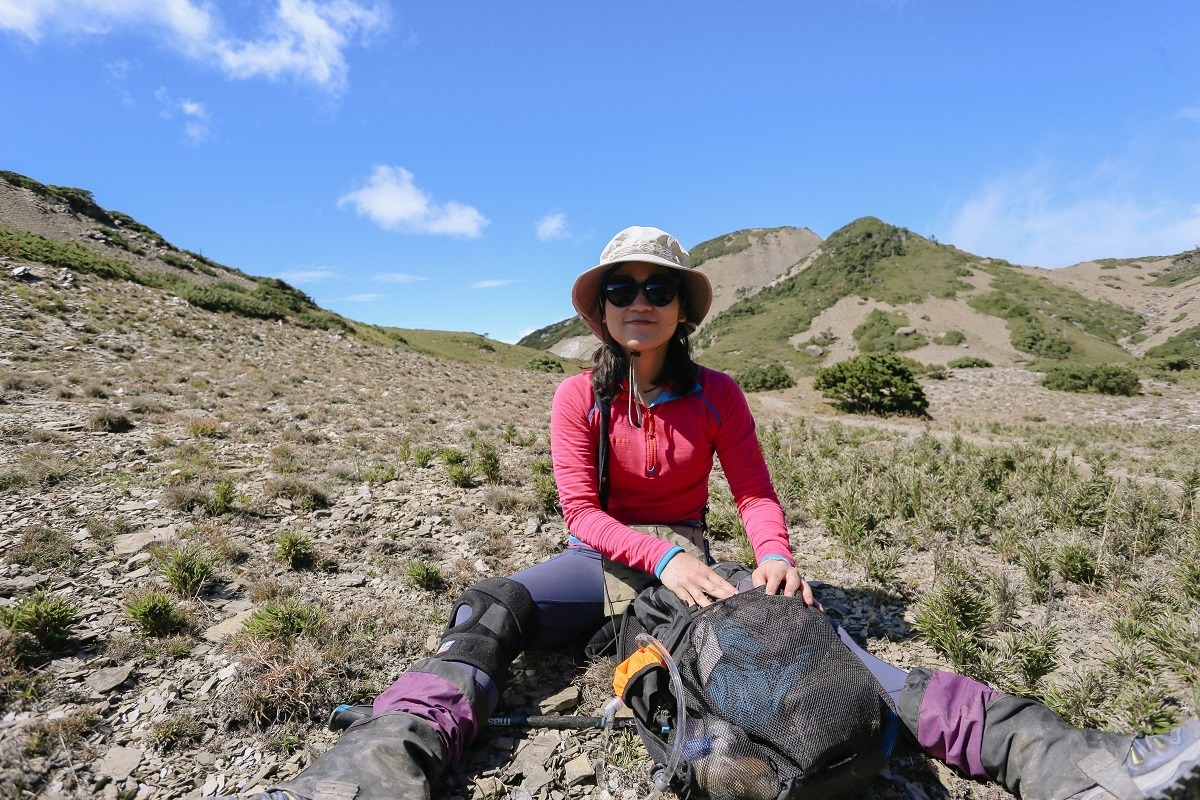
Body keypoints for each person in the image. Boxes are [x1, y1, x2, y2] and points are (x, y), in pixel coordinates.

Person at [229, 227, 1200, 800]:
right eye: (622, 288)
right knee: (491, 610)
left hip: (692, 558)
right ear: (601, 308)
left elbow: (754, 491)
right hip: (605, 558)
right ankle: (369, 769)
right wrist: (656, 558)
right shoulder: (578, 397)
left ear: (680, 306)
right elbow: (580, 509)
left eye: (656, 288)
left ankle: (1077, 764)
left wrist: (770, 553)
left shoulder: (721, 391)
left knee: (817, 648)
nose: (638, 300)